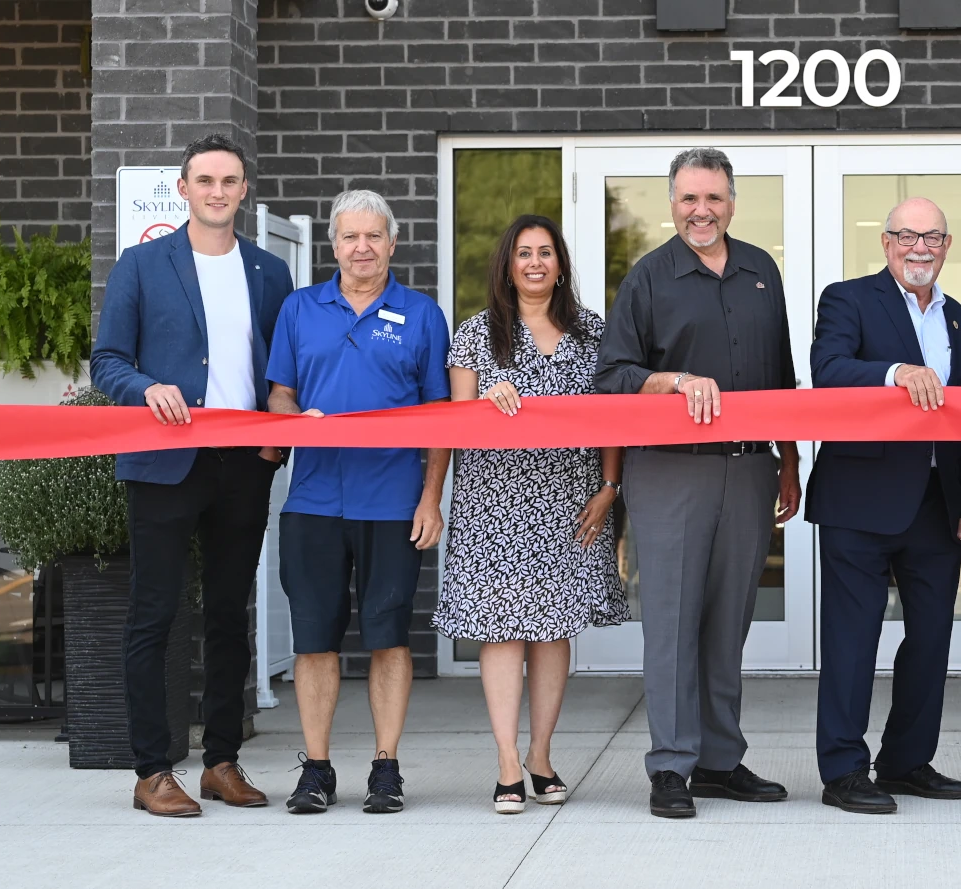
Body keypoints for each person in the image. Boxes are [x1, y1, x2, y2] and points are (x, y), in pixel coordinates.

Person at [595, 147, 803, 819]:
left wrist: (791, 459)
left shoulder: (761, 272)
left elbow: (783, 378)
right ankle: (671, 766)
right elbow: (613, 375)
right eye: (688, 198)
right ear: (673, 204)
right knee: (673, 621)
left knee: (727, 621)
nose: (701, 210)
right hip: (669, 469)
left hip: (749, 470)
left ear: (732, 202)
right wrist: (672, 381)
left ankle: (719, 759)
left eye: (712, 197)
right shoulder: (649, 278)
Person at [91, 134, 293, 817]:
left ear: (243, 190)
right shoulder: (142, 265)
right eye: (204, 179)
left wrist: (278, 439)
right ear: (183, 189)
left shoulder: (269, 272)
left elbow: (280, 373)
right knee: (155, 613)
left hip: (243, 466)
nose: (216, 190)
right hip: (163, 463)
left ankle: (221, 761)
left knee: (231, 615)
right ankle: (152, 770)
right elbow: (108, 361)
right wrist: (146, 387)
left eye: (229, 180)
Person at [435, 215, 630, 813]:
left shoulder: (594, 334)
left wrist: (610, 485)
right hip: (494, 504)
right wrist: (484, 410)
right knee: (502, 630)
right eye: (524, 253)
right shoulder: (475, 336)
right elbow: (453, 426)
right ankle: (505, 762)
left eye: (546, 252)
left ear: (561, 264)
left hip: (572, 501)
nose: (536, 262)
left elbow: (612, 419)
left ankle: (541, 755)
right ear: (508, 265)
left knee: (552, 633)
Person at [265, 189, 450, 815]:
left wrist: (432, 497)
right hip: (314, 500)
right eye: (349, 237)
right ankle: (316, 770)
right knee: (314, 640)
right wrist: (297, 419)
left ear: (392, 244)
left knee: (388, 637)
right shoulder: (298, 309)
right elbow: (279, 397)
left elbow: (437, 419)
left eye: (373, 236)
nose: (361, 248)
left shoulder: (422, 315)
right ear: (334, 244)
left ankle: (385, 768)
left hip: (393, 501)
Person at [807, 197, 961, 814]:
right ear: (886, 243)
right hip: (859, 499)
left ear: (947, 245)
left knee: (931, 639)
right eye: (907, 236)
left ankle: (907, 761)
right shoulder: (848, 299)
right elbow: (827, 369)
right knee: (853, 641)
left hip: (937, 507)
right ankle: (845, 771)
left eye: (932, 237)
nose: (919, 248)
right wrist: (895, 372)